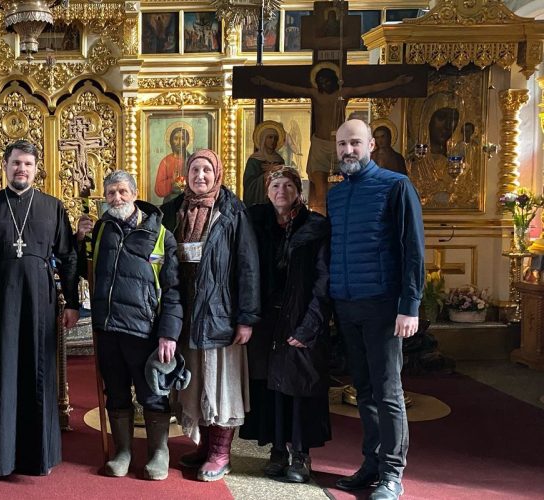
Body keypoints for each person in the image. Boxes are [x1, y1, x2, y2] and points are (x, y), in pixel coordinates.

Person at [0, 139, 80, 477]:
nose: (21, 169)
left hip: (41, 304)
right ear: (5, 166)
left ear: (36, 168)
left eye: (27, 163)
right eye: (15, 163)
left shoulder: (52, 207)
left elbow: (69, 258)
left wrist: (72, 303)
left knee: (38, 373)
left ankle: (38, 456)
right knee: (2, 373)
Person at [328, 119, 424, 500]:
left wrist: (410, 306)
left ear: (370, 145)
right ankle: (371, 464)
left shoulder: (396, 186)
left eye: (354, 143)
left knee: (388, 392)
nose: (347, 151)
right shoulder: (336, 196)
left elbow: (413, 249)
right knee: (363, 389)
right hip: (347, 304)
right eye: (341, 145)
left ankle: (393, 474)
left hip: (385, 306)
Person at [160, 148, 260, 482]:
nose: (200, 176)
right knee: (195, 380)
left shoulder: (232, 211)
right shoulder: (173, 210)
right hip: (184, 311)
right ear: (185, 176)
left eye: (206, 170)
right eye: (194, 170)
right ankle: (203, 447)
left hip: (221, 312)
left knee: (221, 381)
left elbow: (248, 266)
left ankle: (220, 452)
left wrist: (246, 317)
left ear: (217, 174)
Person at [87, 170, 183, 481]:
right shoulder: (102, 230)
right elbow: (87, 270)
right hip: (108, 329)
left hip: (144, 331)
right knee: (115, 392)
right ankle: (123, 451)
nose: (116, 198)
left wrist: (169, 333)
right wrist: (80, 242)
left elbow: (172, 290)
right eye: (111, 193)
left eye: (122, 192)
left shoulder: (159, 235)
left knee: (152, 393)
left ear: (135, 192)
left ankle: (158, 453)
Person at [241, 167, 332, 484]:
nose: (281, 190)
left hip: (300, 318)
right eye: (275, 185)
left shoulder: (316, 227)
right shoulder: (257, 223)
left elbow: (324, 281)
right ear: (267, 191)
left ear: (299, 191)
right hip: (266, 322)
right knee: (272, 388)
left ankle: (302, 455)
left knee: (300, 389)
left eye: (289, 185)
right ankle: (278, 450)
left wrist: (310, 326)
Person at [251, 66, 412, 214]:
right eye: (321, 82)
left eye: (327, 81)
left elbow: (369, 88)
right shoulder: (315, 94)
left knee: (348, 184)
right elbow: (290, 88)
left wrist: (395, 82)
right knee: (320, 190)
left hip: (339, 147)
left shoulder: (344, 93)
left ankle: (344, 215)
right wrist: (266, 82)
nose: (324, 84)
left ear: (334, 80)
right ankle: (322, 220)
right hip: (320, 146)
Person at [243, 122, 288, 205]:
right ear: (263, 139)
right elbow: (249, 185)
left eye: (275, 138)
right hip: (259, 203)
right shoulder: (254, 160)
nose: (273, 141)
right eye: (270, 137)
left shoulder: (279, 160)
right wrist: (265, 176)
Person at [154, 127, 191, 201]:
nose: (179, 142)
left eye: (182, 138)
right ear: (171, 141)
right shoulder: (166, 162)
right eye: (176, 138)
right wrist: (172, 181)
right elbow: (158, 190)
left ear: (187, 141)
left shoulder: (191, 160)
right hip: (170, 203)